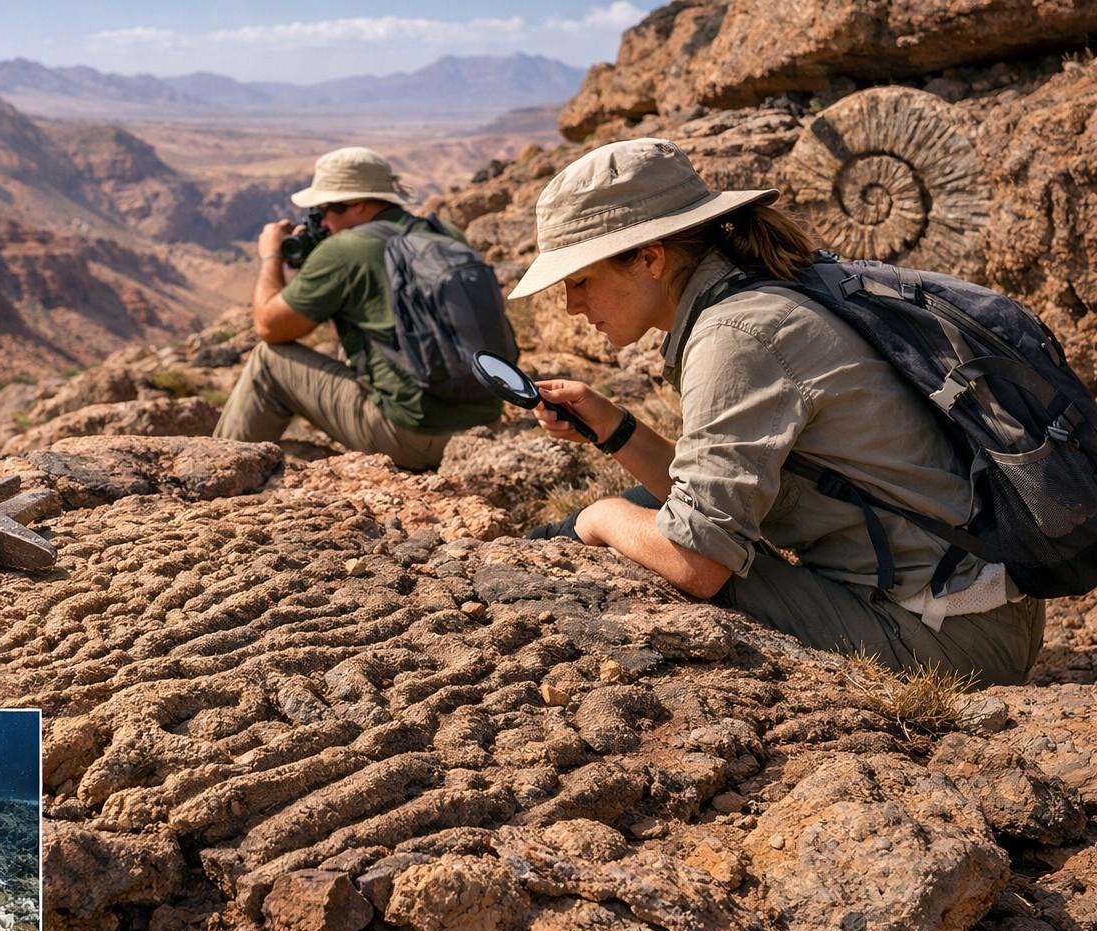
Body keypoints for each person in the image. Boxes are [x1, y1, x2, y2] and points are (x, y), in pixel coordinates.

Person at [508, 138, 1044, 683]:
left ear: (649, 258)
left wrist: (595, 518)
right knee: (644, 505)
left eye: (580, 280)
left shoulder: (737, 335)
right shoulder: (761, 295)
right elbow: (713, 497)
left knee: (630, 546)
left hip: (946, 639)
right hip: (984, 609)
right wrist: (614, 428)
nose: (572, 305)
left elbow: (697, 564)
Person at [212, 146, 502, 469]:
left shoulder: (345, 250)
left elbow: (269, 326)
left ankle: (221, 470)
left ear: (359, 205)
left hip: (411, 435)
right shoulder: (444, 233)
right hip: (482, 427)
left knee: (269, 360)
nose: (322, 222)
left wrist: (271, 256)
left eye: (325, 210)